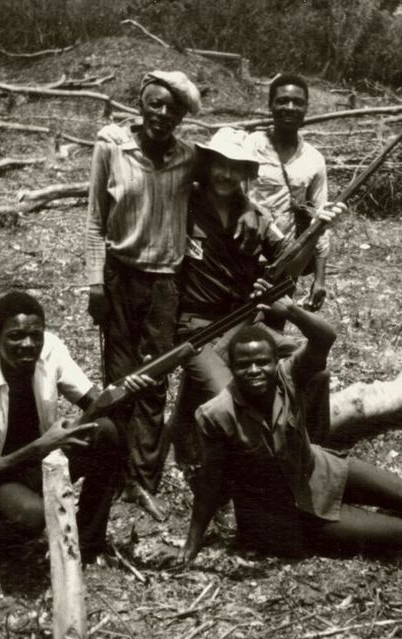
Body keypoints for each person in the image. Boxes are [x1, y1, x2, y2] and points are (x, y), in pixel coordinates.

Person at [182, 285, 402, 562]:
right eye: (244, 365)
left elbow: (325, 338)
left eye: (261, 363)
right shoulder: (215, 414)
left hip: (320, 470)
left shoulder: (289, 378)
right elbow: (211, 482)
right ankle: (355, 519)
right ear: (232, 368)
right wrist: (192, 545)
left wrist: (292, 311)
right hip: (287, 512)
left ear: (275, 362)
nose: (253, 371)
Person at [85, 71, 264, 517]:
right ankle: (111, 472)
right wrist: (93, 282)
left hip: (166, 282)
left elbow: (229, 178)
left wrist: (252, 209)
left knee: (152, 382)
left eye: (173, 108)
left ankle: (142, 480)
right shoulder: (111, 145)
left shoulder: (188, 159)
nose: (162, 114)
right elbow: (94, 220)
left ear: (183, 116)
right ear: (140, 103)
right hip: (118, 277)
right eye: (154, 103)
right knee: (119, 377)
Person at [0, 291, 155, 554]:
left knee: (105, 431)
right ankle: (1, 528)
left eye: (36, 335)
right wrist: (42, 446)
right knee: (33, 516)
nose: (28, 344)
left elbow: (94, 402)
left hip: (42, 462)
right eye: (15, 336)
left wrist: (128, 393)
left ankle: (88, 543)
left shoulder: (51, 350)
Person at [176, 127, 345, 409]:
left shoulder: (256, 215)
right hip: (199, 329)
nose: (227, 175)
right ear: (207, 165)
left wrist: (317, 229)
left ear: (245, 174)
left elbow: (291, 265)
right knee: (227, 398)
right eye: (221, 165)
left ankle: (308, 448)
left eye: (236, 168)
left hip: (246, 324)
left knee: (314, 375)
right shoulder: (182, 205)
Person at [242, 73, 331, 312]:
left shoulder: (314, 159)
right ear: (270, 105)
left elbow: (320, 222)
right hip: (242, 257)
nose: (289, 108)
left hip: (285, 262)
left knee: (273, 329)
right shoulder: (249, 146)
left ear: (306, 108)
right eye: (282, 101)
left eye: (297, 102)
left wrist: (319, 279)